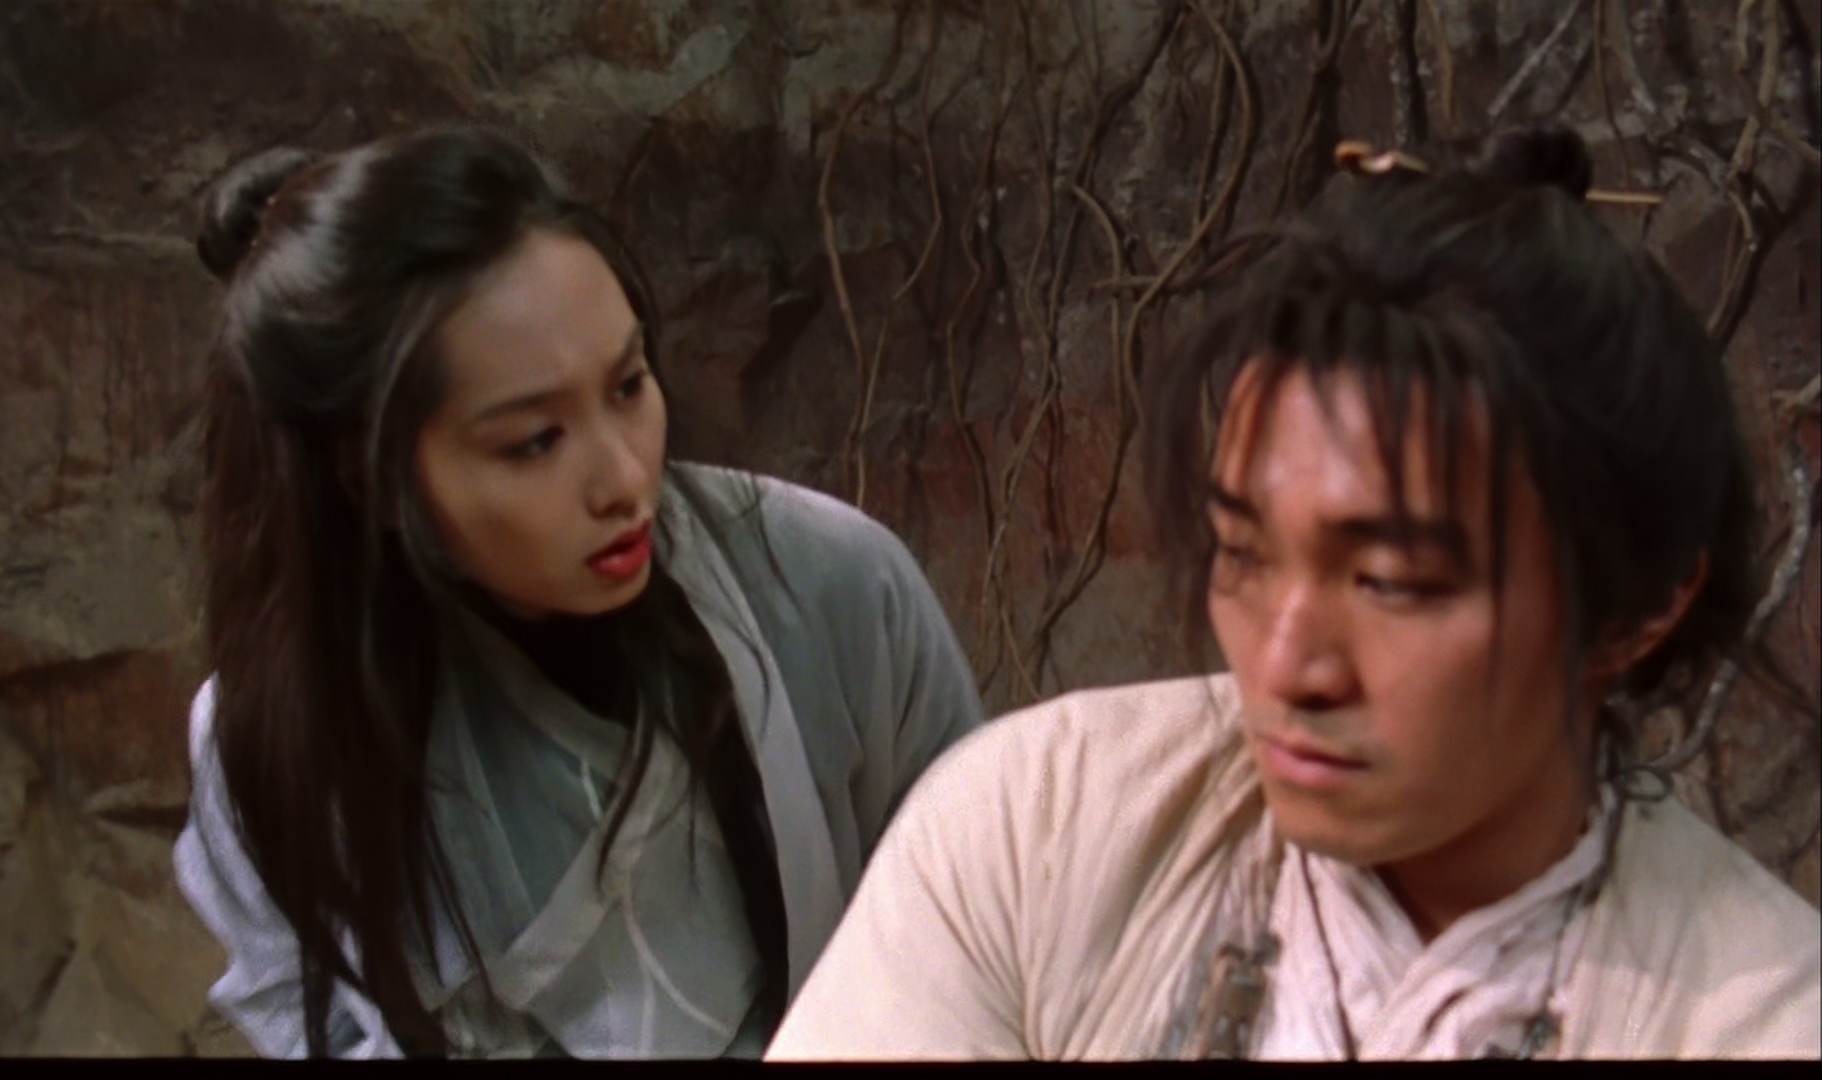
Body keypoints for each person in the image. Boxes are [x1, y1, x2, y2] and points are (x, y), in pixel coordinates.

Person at [765, 126, 1821, 1060]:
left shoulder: (1763, 1018)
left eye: (1391, 581)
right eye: (1242, 551)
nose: (1283, 667)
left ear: (1639, 605)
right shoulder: (1039, 828)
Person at [171, 126, 983, 1059]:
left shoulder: (831, 583)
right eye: (534, 442)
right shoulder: (283, 729)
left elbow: (986, 925)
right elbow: (307, 1010)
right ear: (374, 477)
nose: (625, 478)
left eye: (629, 385)